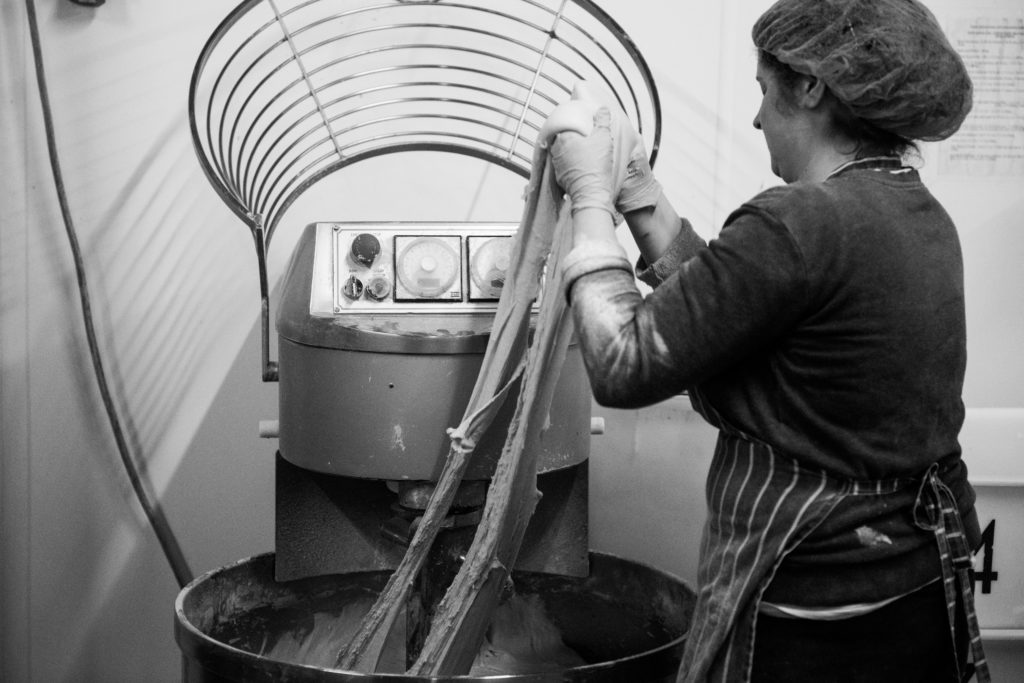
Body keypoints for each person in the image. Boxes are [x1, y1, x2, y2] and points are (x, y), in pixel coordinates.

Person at [546, 0, 988, 681]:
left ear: (811, 85)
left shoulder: (800, 221)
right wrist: (641, 195)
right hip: (914, 584)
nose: (755, 119)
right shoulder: (918, 211)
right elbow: (724, 311)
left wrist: (589, 201)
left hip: (813, 613)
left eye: (763, 92)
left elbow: (624, 362)